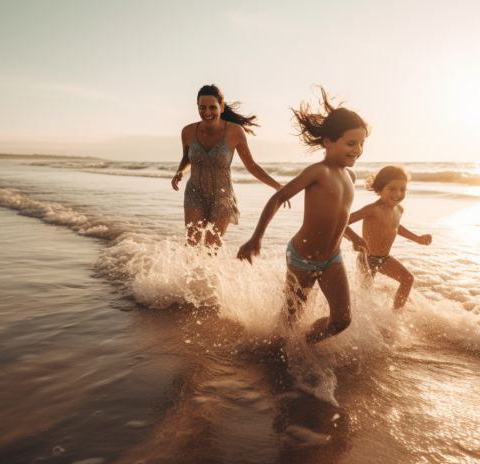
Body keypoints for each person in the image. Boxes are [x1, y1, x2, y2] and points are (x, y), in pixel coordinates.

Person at [237, 87, 369, 344]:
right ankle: (283, 348)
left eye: (362, 143)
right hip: (302, 258)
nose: (358, 149)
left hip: (333, 257)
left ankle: (306, 343)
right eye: (351, 143)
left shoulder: (350, 176)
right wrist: (256, 238)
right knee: (290, 320)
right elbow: (278, 198)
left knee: (342, 321)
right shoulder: (318, 171)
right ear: (328, 142)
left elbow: (338, 217)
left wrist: (352, 236)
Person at [171, 84, 288, 248]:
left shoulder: (234, 132)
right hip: (194, 193)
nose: (207, 112)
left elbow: (251, 165)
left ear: (222, 106)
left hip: (223, 197)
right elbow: (187, 158)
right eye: (202, 107)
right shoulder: (188, 131)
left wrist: (277, 186)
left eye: (212, 107)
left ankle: (210, 275)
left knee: (211, 248)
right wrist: (180, 172)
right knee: (192, 245)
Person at [348, 165, 432, 309]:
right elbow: (342, 222)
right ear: (379, 189)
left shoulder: (399, 209)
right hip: (367, 259)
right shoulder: (372, 209)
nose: (398, 194)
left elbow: (395, 227)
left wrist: (417, 238)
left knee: (407, 279)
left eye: (402, 189)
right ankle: (357, 319)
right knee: (364, 295)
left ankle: (396, 314)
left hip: (384, 258)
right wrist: (354, 238)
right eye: (392, 189)